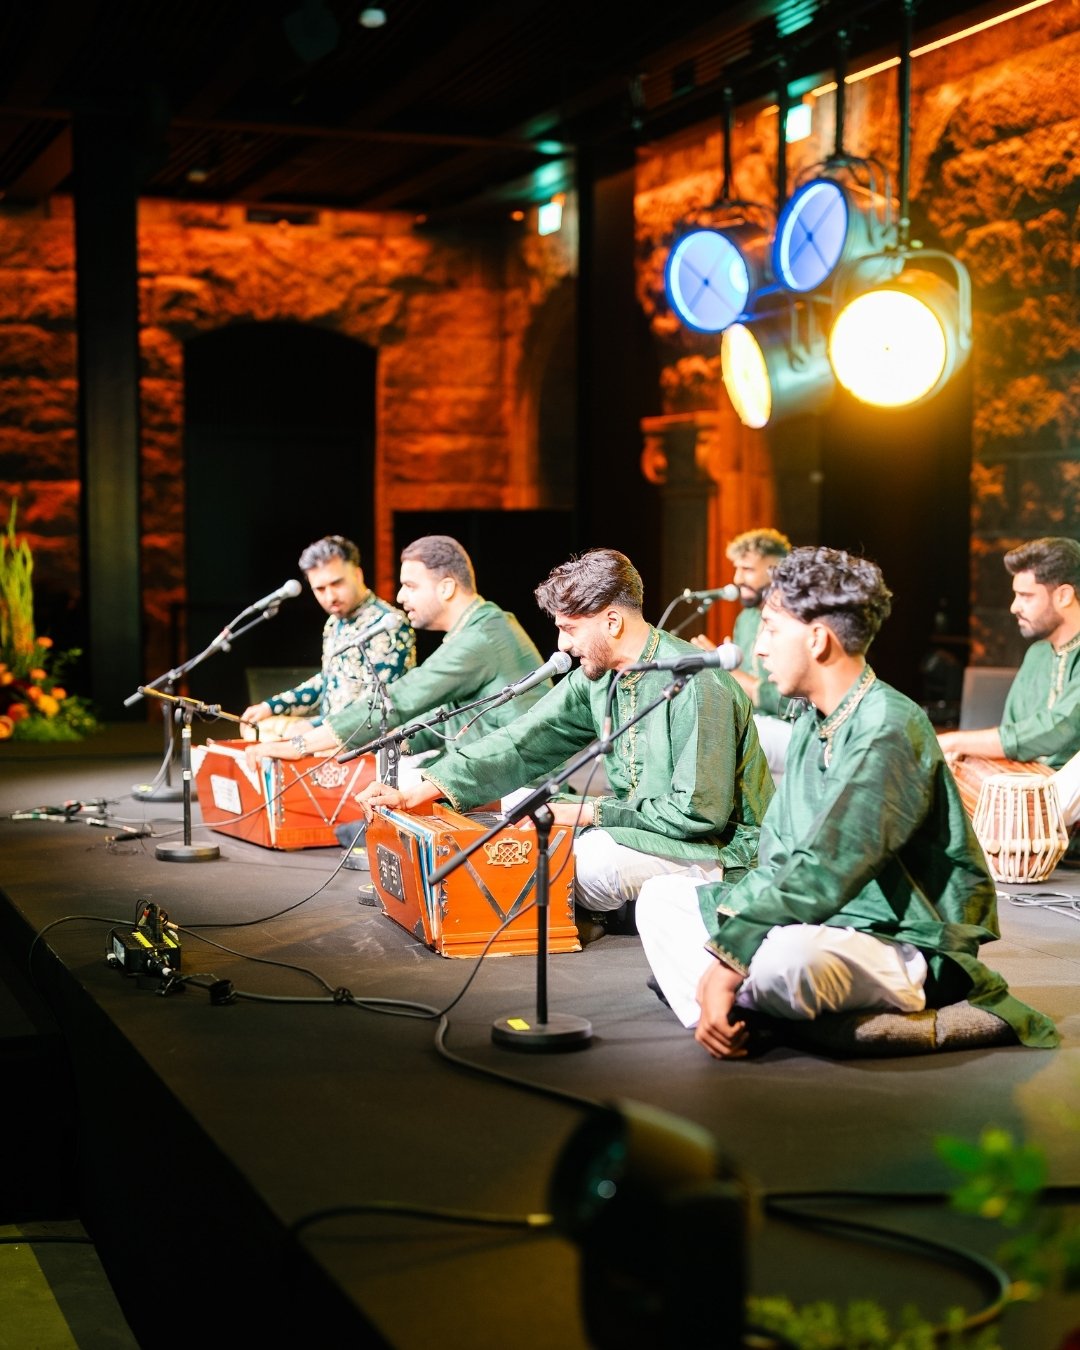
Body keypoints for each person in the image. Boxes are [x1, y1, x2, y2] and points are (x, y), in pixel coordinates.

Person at [636, 546, 1058, 1059]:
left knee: (788, 959)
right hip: (821, 919)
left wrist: (728, 958)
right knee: (662, 900)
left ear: (817, 639)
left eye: (770, 629)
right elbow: (778, 860)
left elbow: (830, 866)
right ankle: (734, 1010)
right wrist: (738, 931)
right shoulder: (813, 719)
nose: (758, 648)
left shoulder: (888, 726)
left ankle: (728, 1001)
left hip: (899, 938)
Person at [356, 547, 773, 923]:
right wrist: (420, 791)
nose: (563, 644)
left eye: (570, 628)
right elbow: (522, 740)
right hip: (641, 827)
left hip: (719, 851)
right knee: (519, 802)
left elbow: (699, 815)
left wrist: (592, 813)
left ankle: (642, 906)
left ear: (612, 621)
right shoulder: (600, 678)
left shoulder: (698, 683)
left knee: (590, 863)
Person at [248, 535, 549, 767]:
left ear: (446, 588)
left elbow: (400, 699)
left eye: (410, 586)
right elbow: (443, 716)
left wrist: (300, 744)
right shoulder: (479, 626)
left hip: (520, 787)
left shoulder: (480, 637)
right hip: (494, 769)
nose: (400, 596)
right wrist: (389, 745)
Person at [240, 535, 414, 751]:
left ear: (358, 574)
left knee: (285, 739)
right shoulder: (334, 623)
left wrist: (311, 728)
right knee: (255, 726)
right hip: (329, 731)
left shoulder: (388, 623)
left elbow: (376, 705)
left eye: (337, 583)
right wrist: (272, 706)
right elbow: (328, 681)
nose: (330, 596)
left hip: (369, 739)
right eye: (320, 589)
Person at [938, 536, 1080, 777]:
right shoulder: (1037, 655)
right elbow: (1012, 728)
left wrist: (955, 742)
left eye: (1026, 596)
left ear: (1063, 596)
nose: (1014, 607)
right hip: (1023, 784)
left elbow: (1059, 727)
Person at [692, 527, 795, 778]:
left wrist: (731, 671)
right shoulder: (746, 619)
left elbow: (787, 702)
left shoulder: (794, 617)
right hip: (756, 723)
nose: (737, 579)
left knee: (731, 738)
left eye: (747, 569)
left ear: (776, 570)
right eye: (736, 568)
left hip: (793, 729)